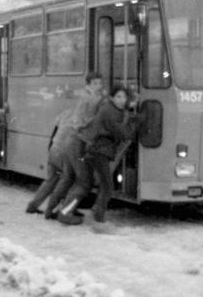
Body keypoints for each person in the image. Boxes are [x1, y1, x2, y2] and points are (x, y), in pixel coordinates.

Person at [57, 84, 142, 225]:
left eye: (124, 97)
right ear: (111, 98)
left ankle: (70, 210)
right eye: (118, 97)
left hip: (88, 147)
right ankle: (69, 213)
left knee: (86, 183)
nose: (122, 100)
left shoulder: (114, 109)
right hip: (88, 148)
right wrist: (136, 121)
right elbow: (123, 133)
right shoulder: (109, 111)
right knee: (90, 185)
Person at [32, 72, 105, 218]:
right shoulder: (89, 98)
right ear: (88, 84)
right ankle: (66, 212)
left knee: (69, 179)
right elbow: (90, 118)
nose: (98, 86)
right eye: (95, 83)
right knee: (83, 183)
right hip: (78, 143)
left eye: (99, 83)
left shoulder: (88, 97)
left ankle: (51, 210)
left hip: (71, 143)